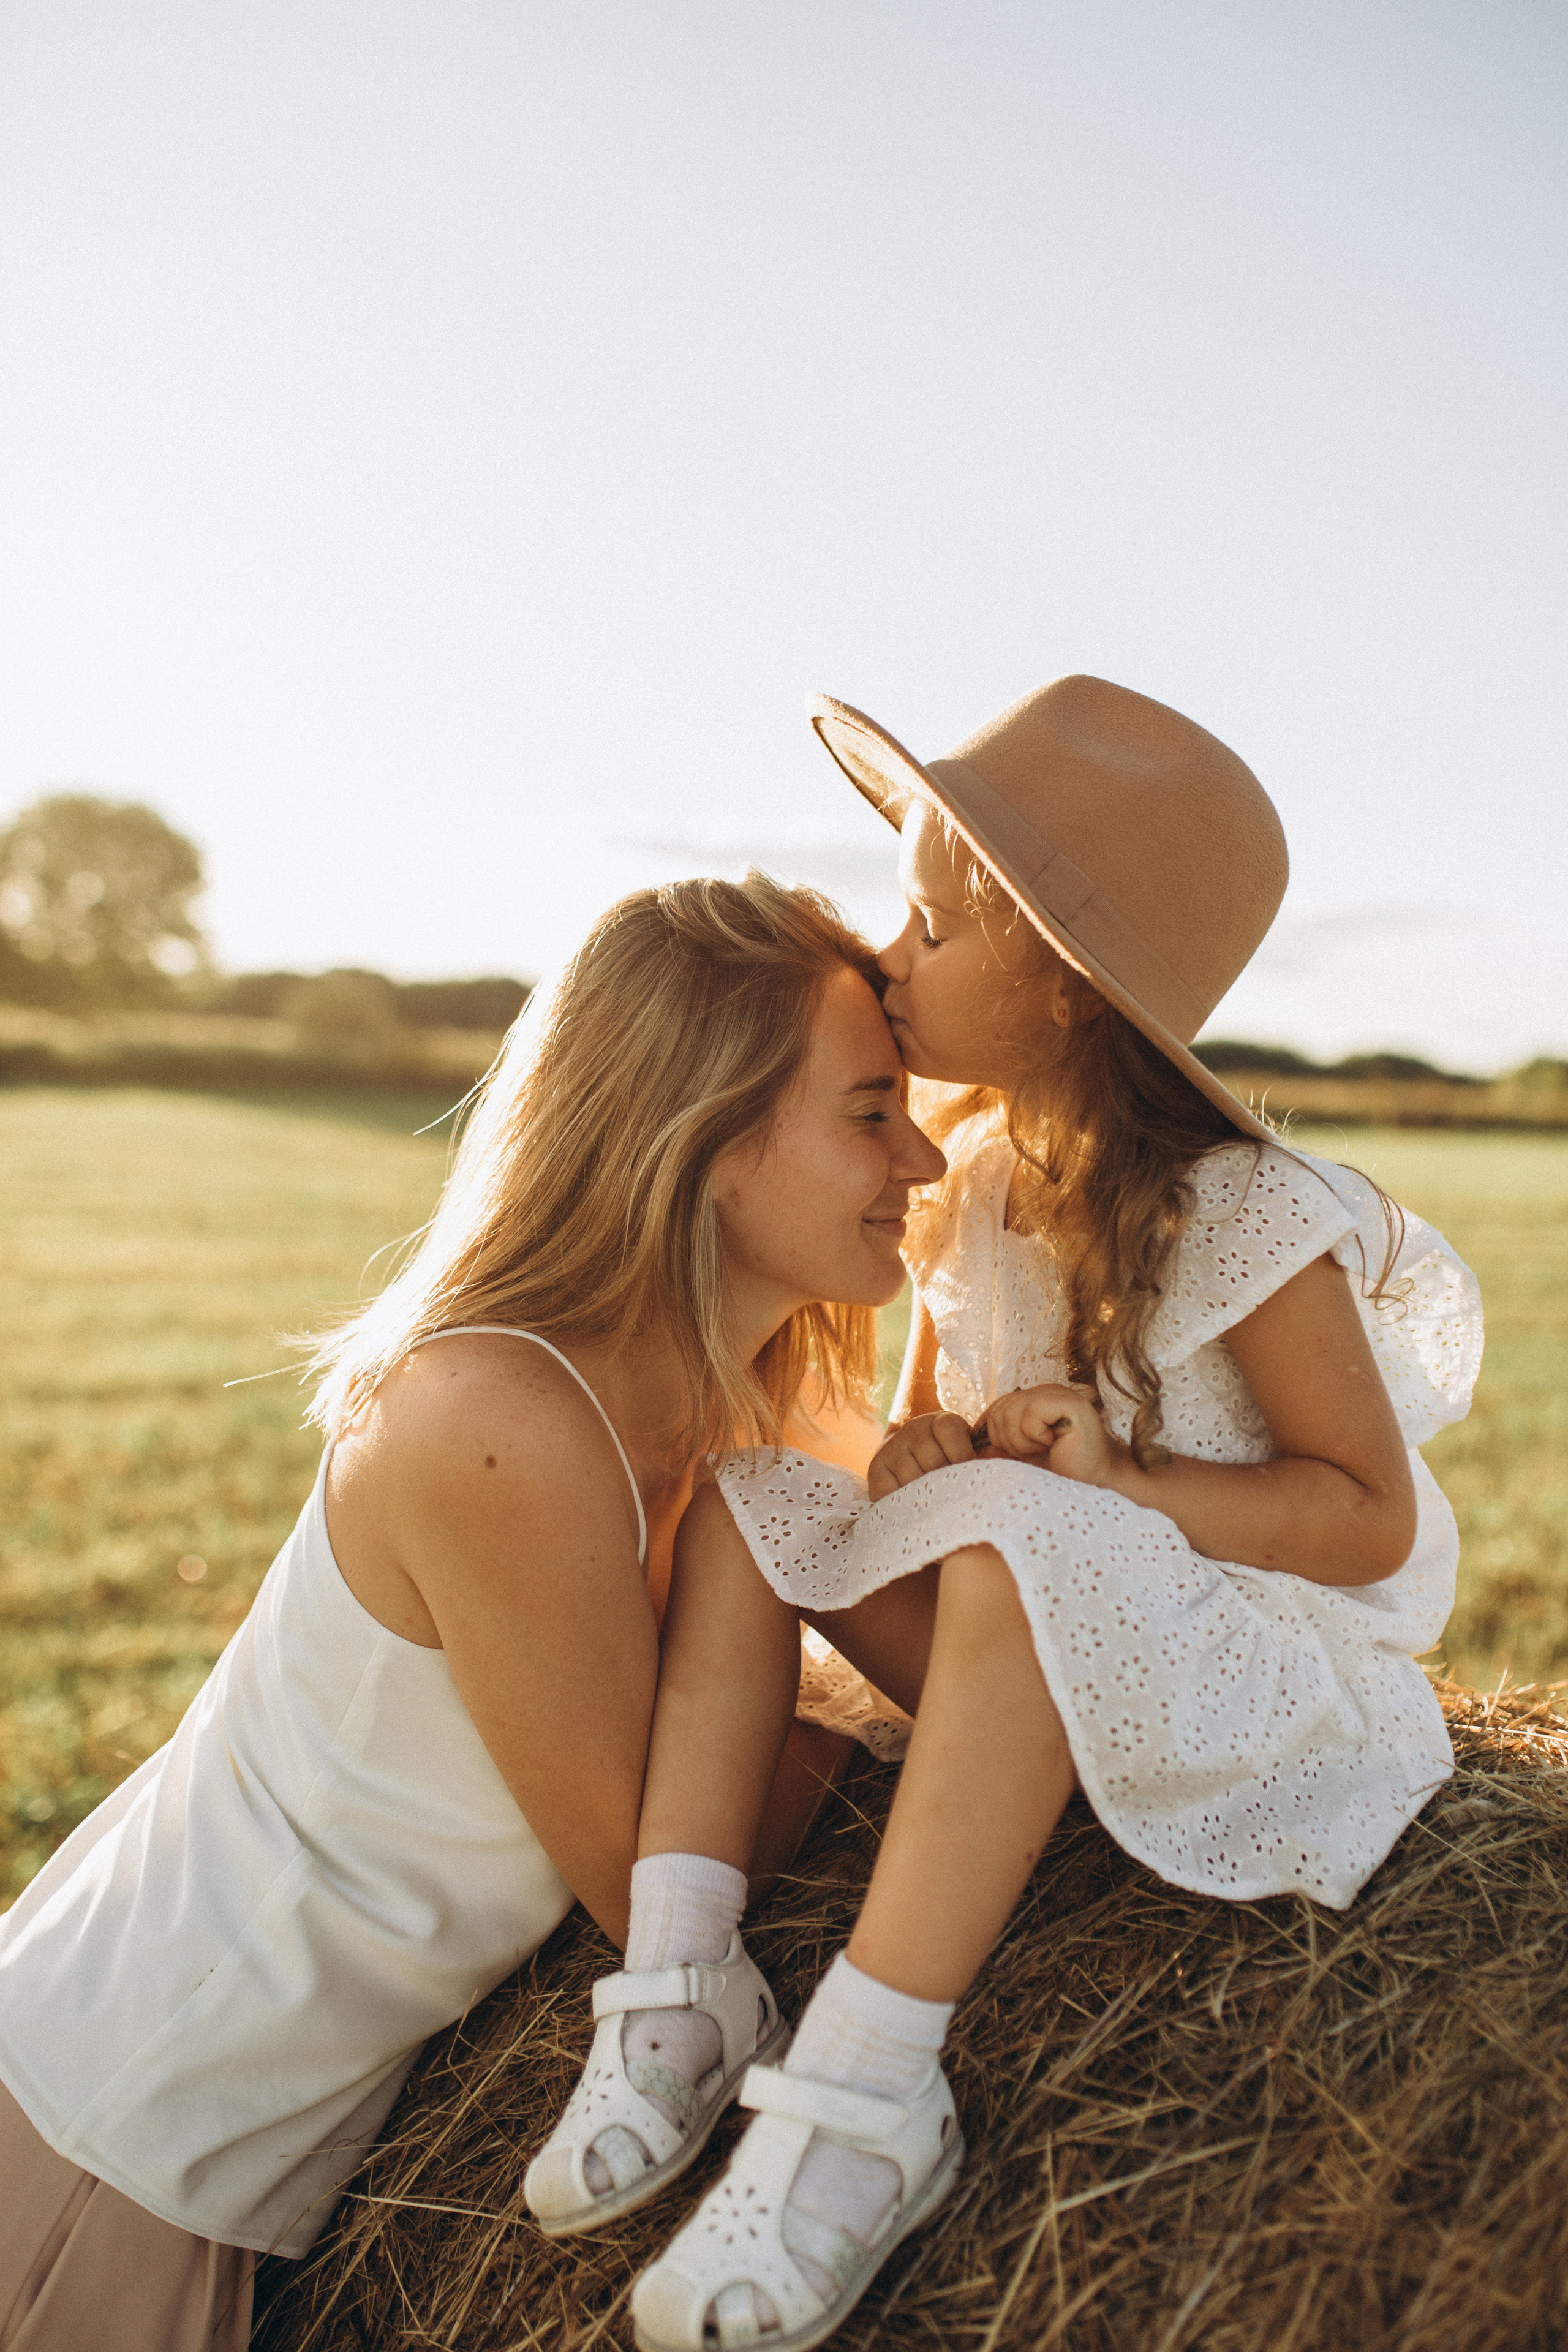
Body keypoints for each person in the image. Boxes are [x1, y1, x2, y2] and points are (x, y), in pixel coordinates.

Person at [526, 676, 1483, 2352]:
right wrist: (923, 1458)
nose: (894, 953)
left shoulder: (1251, 1211)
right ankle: (686, 1976)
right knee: (760, 1499)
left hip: (1245, 1694)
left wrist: (1119, 1482)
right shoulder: (962, 1189)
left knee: (1037, 1536)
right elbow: (920, 1442)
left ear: (1074, 990)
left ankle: (869, 2093)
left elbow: (1367, 1522)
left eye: (942, 923)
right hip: (1024, 1655)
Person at [0, 874, 947, 2352]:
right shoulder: (495, 1418)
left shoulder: (757, 1406)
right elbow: (662, 1877)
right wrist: (890, 1747)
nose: (927, 1154)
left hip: (228, 2143)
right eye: (870, 1112)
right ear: (702, 1134)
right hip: (121, 2133)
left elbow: (937, 1663)